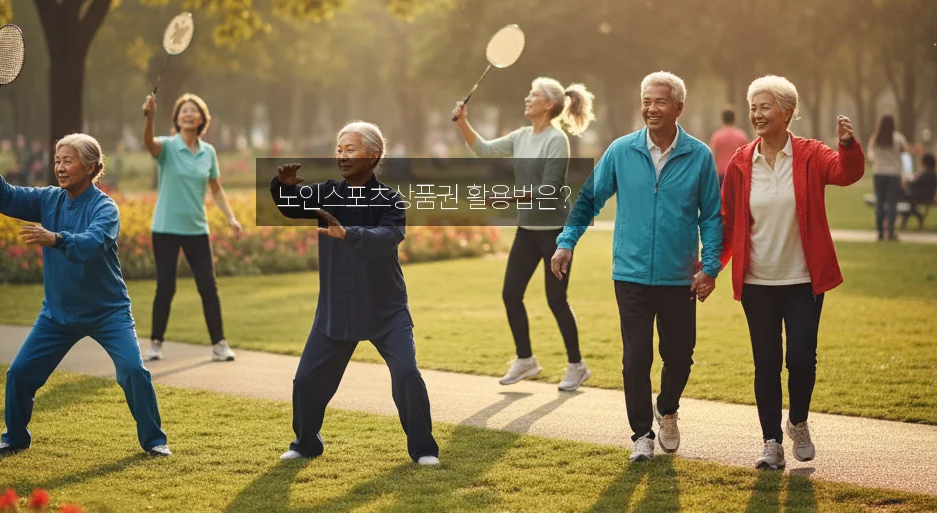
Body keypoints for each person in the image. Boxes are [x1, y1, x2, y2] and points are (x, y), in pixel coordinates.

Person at [551, 72, 722, 462]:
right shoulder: (621, 151)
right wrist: (566, 242)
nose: (650, 108)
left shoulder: (698, 156)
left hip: (680, 277)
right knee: (635, 358)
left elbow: (712, 217)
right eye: (646, 101)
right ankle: (641, 434)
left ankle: (668, 408)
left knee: (680, 356)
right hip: (629, 275)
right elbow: (588, 199)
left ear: (678, 107)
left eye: (659, 102)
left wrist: (709, 267)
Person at [0, 135, 171, 457]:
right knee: (20, 373)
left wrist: (55, 239)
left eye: (68, 161)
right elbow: (8, 198)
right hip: (58, 313)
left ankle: (154, 441)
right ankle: (14, 437)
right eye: (57, 160)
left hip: (108, 313)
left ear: (90, 167)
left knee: (134, 371)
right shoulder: (48, 199)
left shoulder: (105, 208)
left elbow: (93, 242)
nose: (60, 167)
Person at [270, 121, 440, 465]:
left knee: (407, 373)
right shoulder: (325, 193)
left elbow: (389, 237)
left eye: (350, 149)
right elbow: (290, 206)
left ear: (373, 155)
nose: (342, 156)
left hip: (385, 309)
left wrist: (349, 234)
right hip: (337, 307)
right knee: (306, 381)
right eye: (338, 149)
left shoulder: (390, 199)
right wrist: (283, 187)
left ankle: (423, 450)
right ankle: (306, 443)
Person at [720, 76, 864, 470]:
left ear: (787, 112)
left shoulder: (810, 154)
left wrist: (848, 147)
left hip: (803, 281)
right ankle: (770, 442)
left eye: (765, 107)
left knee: (801, 359)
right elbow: (729, 222)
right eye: (753, 107)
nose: (757, 114)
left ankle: (797, 422)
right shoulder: (740, 162)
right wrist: (710, 268)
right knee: (766, 362)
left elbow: (845, 172)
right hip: (757, 283)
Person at [452, 77, 595, 391]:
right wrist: (463, 122)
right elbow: (485, 150)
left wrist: (507, 198)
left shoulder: (556, 140)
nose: (527, 97)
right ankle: (526, 359)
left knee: (556, 300)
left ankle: (577, 365)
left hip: (555, 234)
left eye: (534, 94)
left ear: (549, 105)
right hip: (527, 231)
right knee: (510, 294)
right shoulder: (521, 135)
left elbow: (548, 189)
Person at [142, 92, 241, 363]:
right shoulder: (167, 146)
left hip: (197, 229)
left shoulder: (208, 152)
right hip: (165, 228)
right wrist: (149, 117)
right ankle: (155, 343)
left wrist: (230, 217)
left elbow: (217, 189)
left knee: (208, 286)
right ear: (177, 117)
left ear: (201, 119)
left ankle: (219, 344)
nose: (188, 114)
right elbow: (148, 143)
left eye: (193, 110)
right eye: (183, 110)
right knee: (166, 287)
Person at [868, 114, 909, 241]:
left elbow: (870, 155)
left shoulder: (876, 138)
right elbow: (905, 152)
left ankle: (880, 233)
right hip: (894, 174)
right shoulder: (898, 138)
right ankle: (890, 233)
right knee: (892, 204)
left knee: (879, 203)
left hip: (878, 173)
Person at [709, 107, 748, 186]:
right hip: (737, 174)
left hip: (721, 175)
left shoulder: (716, 136)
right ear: (734, 118)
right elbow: (746, 157)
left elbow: (712, 156)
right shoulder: (741, 136)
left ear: (722, 119)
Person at [901, 153, 936, 229]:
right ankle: (914, 214)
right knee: (907, 204)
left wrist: (909, 180)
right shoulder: (932, 174)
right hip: (925, 196)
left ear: (925, 163)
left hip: (917, 196)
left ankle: (914, 215)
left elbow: (913, 183)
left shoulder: (925, 174)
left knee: (899, 195)